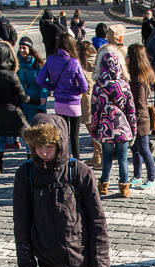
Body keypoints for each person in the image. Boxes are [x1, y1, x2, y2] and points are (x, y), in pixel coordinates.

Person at [14, 115, 108, 267]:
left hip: (79, 249)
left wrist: (100, 257)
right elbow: (21, 219)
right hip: (45, 251)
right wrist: (25, 257)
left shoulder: (79, 171)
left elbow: (97, 218)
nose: (44, 153)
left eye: (49, 146)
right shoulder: (25, 174)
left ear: (60, 143)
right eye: (39, 147)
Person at [91, 51, 137, 198]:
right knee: (123, 158)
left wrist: (94, 129)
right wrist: (133, 129)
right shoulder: (124, 85)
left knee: (107, 158)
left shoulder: (98, 86)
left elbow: (95, 110)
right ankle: (124, 187)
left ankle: (104, 185)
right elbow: (131, 110)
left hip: (106, 128)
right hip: (122, 127)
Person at [37, 35, 89, 160]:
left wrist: (52, 87)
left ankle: (63, 158)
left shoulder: (51, 60)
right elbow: (84, 86)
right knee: (74, 135)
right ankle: (76, 160)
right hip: (73, 103)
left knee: (62, 133)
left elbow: (39, 80)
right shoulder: (74, 61)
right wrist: (76, 91)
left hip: (59, 101)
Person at [0, 41, 28, 176]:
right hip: (12, 110)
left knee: (2, 138)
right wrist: (34, 100)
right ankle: (31, 162)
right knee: (28, 137)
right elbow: (21, 95)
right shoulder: (10, 75)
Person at [127, 43, 155, 190]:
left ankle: (151, 177)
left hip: (140, 119)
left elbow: (138, 103)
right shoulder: (139, 75)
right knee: (135, 149)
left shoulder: (138, 79)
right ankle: (137, 175)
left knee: (144, 148)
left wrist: (134, 121)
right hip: (140, 117)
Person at [77, 41, 101, 169]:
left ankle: (100, 157)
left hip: (87, 100)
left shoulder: (81, 64)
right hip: (97, 98)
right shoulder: (98, 60)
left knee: (93, 131)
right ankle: (97, 156)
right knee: (95, 130)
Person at [17, 37, 48, 125]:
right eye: (20, 48)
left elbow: (43, 85)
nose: (22, 50)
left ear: (29, 49)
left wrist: (41, 103)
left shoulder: (37, 65)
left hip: (35, 101)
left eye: (24, 48)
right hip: (23, 101)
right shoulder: (18, 64)